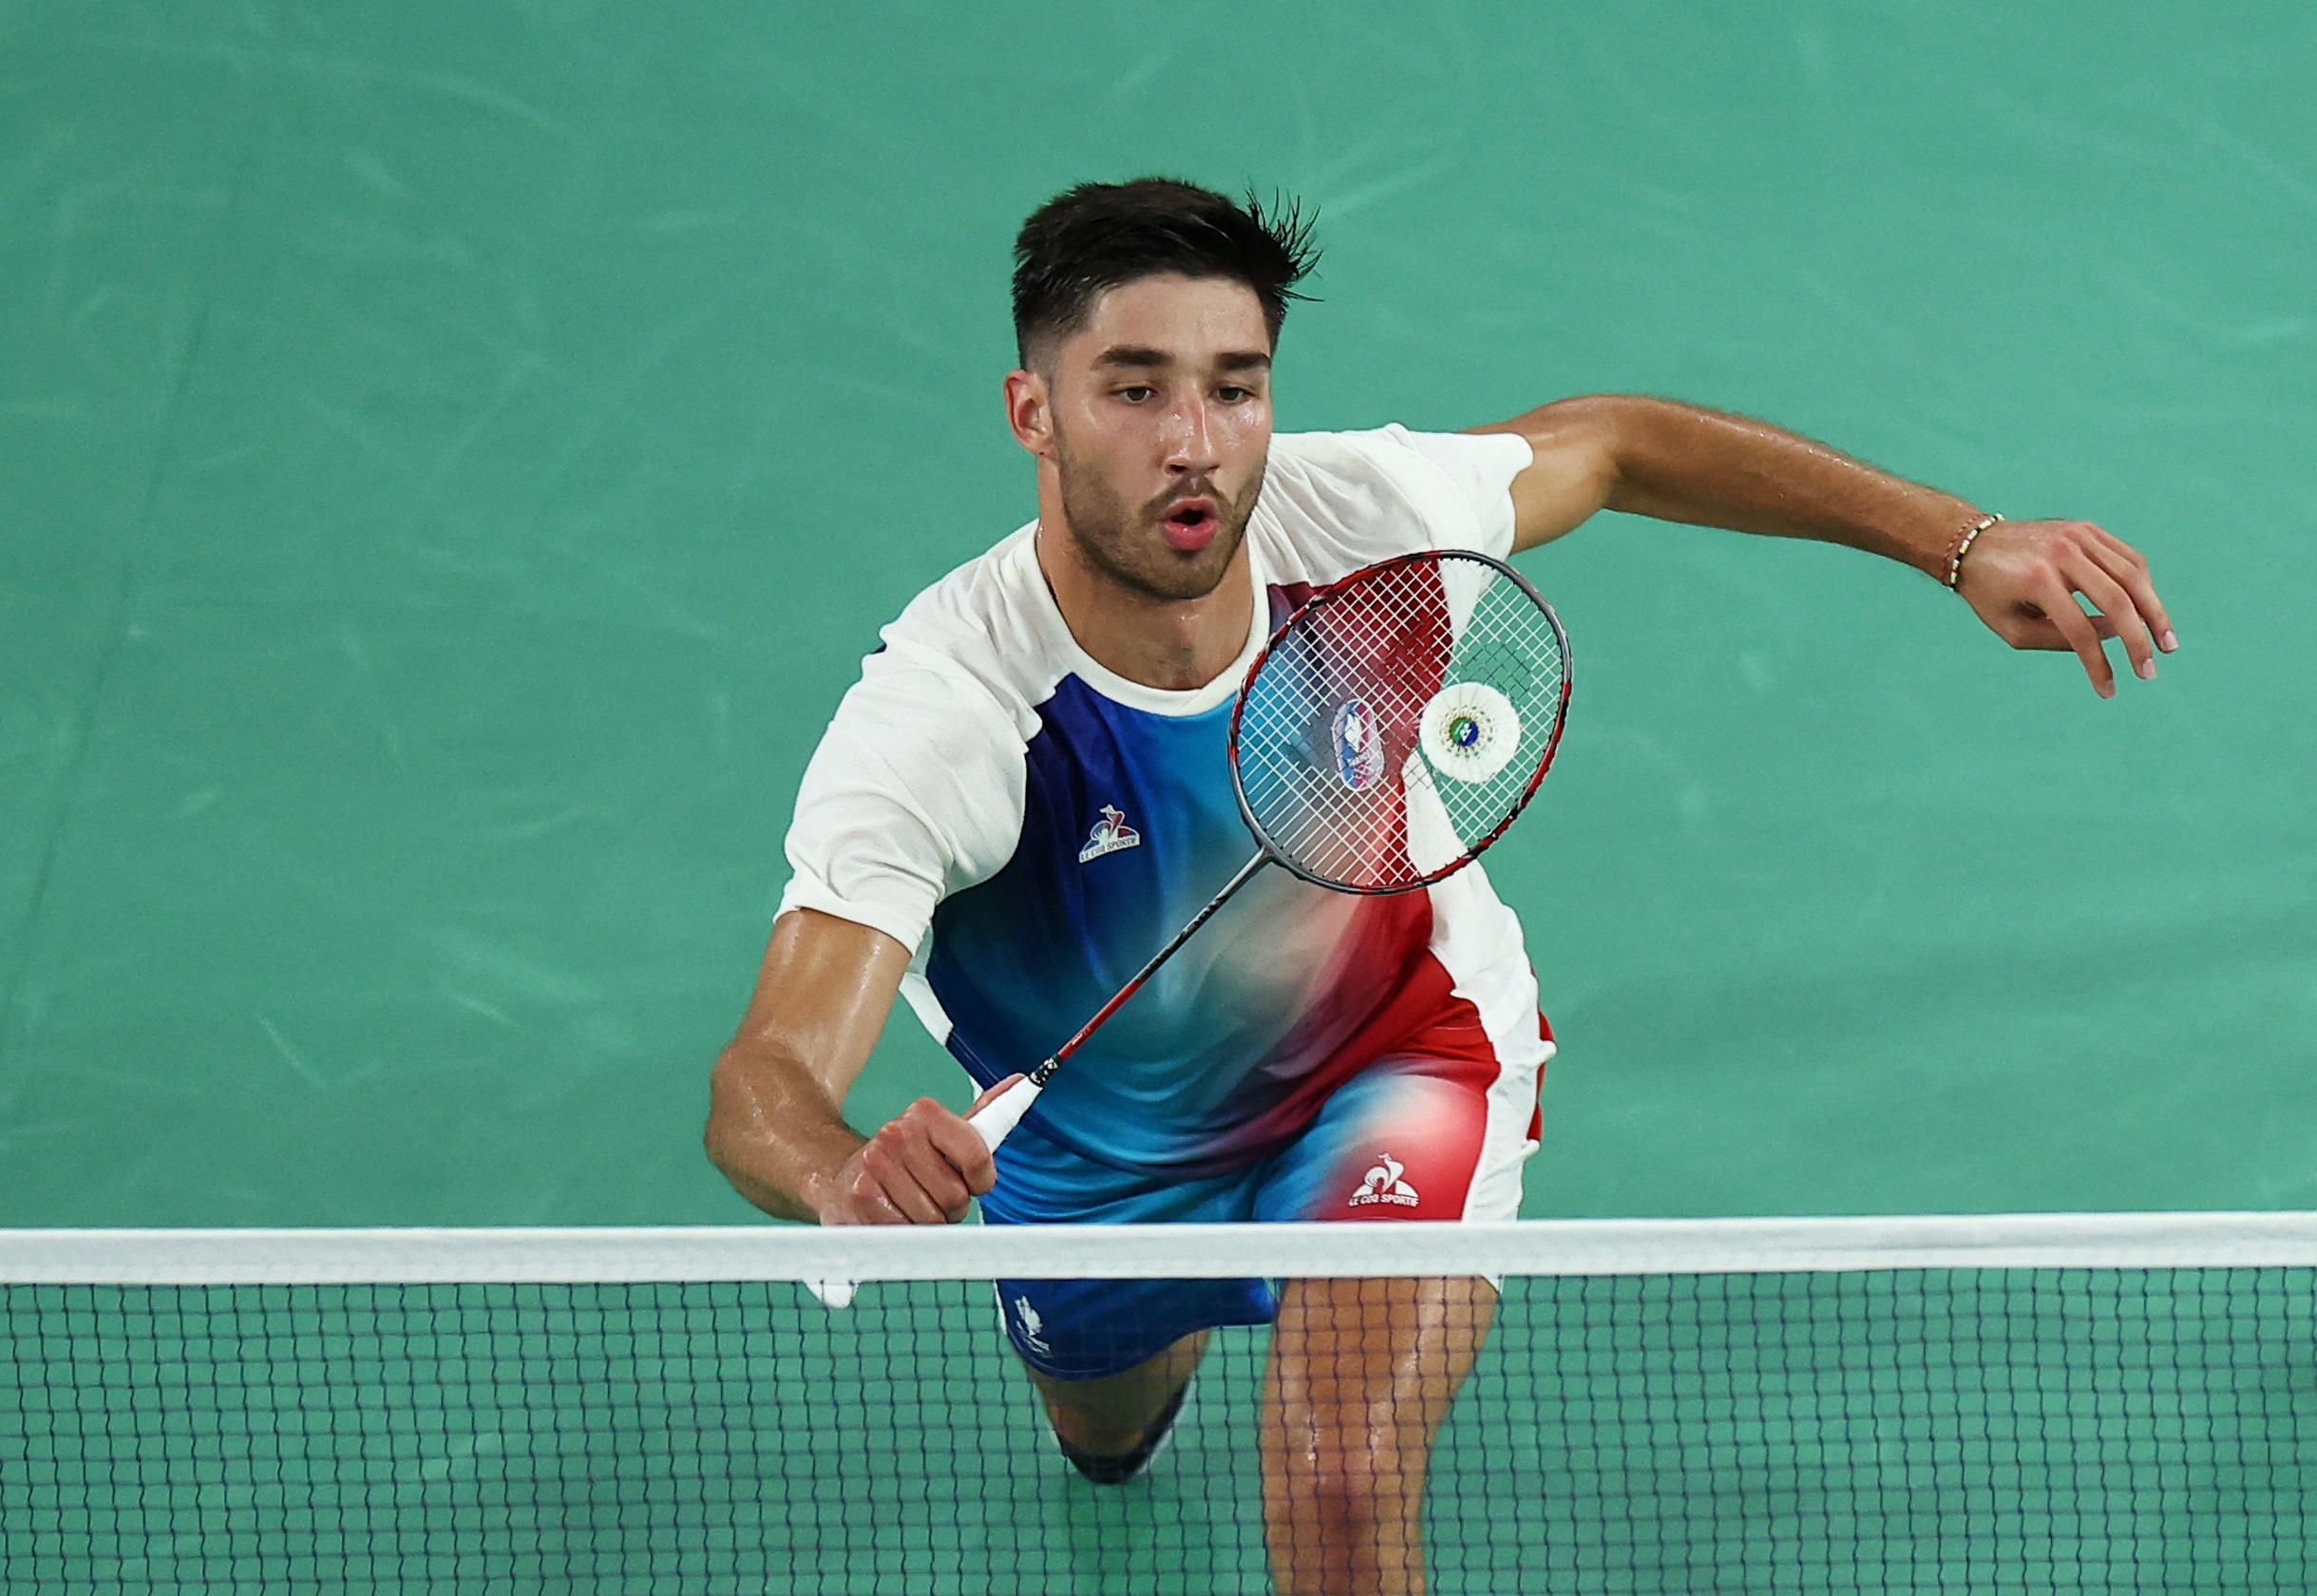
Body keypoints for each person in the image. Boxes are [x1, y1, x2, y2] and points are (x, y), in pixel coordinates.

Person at [705, 178, 2174, 1594]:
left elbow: (1617, 442)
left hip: (1399, 1053)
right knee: (1105, 1433)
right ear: (1034, 410)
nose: (1196, 442)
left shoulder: (1363, 524)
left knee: (1337, 1480)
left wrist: (1962, 543)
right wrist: (838, 1169)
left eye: (1236, 385)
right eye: (1134, 387)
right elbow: (766, 1073)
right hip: (1103, 1147)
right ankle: (1144, 1338)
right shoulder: (950, 718)